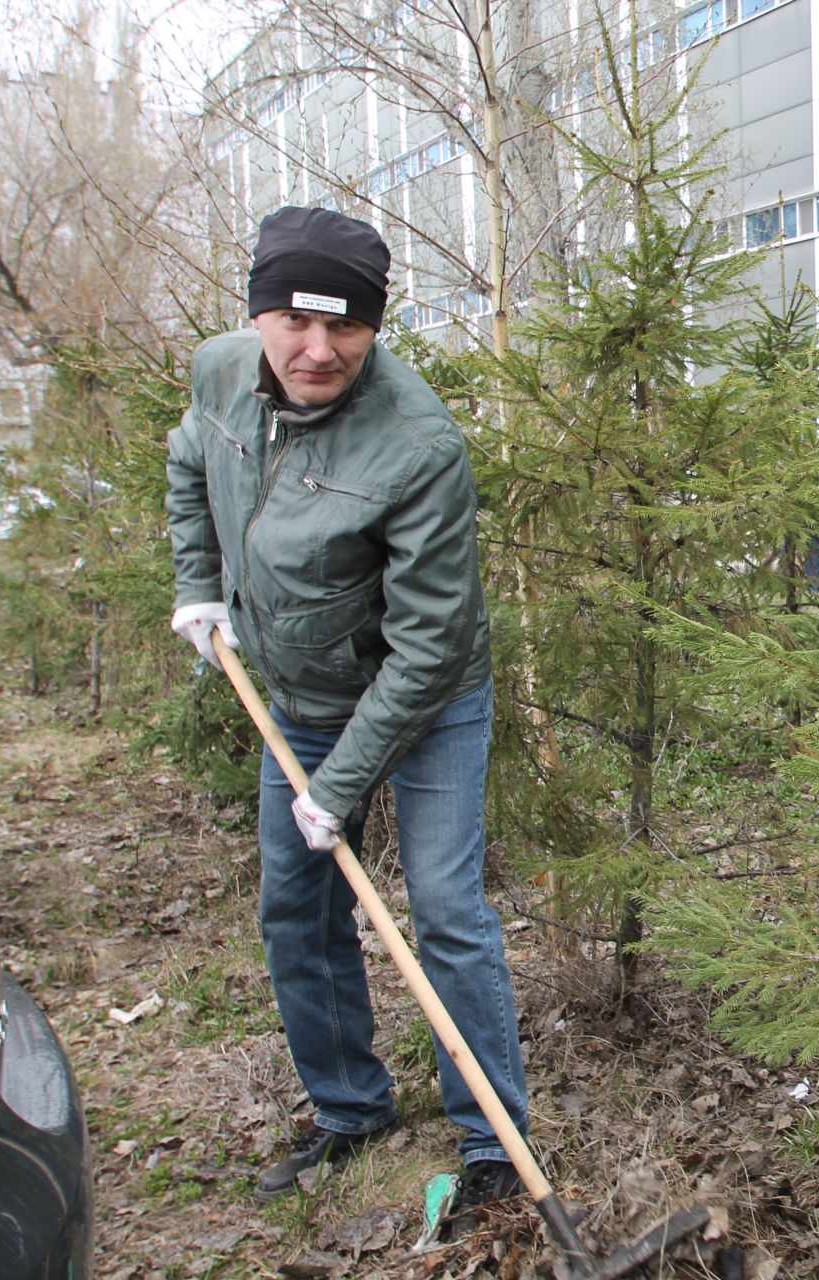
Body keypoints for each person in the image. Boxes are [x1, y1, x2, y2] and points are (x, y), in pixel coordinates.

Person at [165, 206, 528, 1214]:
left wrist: (338, 785)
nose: (317, 350)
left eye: (348, 328)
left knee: (448, 911)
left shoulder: (418, 446)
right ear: (258, 313)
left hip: (429, 693)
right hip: (302, 692)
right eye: (293, 321)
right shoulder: (220, 371)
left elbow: (427, 647)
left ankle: (493, 1139)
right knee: (297, 904)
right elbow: (191, 460)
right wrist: (201, 581)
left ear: (376, 329)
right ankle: (349, 1107)